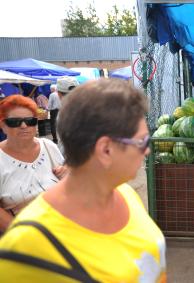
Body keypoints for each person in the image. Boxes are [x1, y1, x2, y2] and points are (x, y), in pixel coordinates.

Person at [0, 79, 167, 282]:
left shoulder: (126, 194)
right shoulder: (25, 250)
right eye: (142, 141)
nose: (147, 150)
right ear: (106, 150)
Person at [0, 95, 66, 232]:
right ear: (3, 125)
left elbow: (69, 183)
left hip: (64, 226)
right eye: (14, 122)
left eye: (30, 121)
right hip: (23, 236)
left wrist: (68, 173)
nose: (24, 126)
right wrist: (23, 233)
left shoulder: (48, 146)